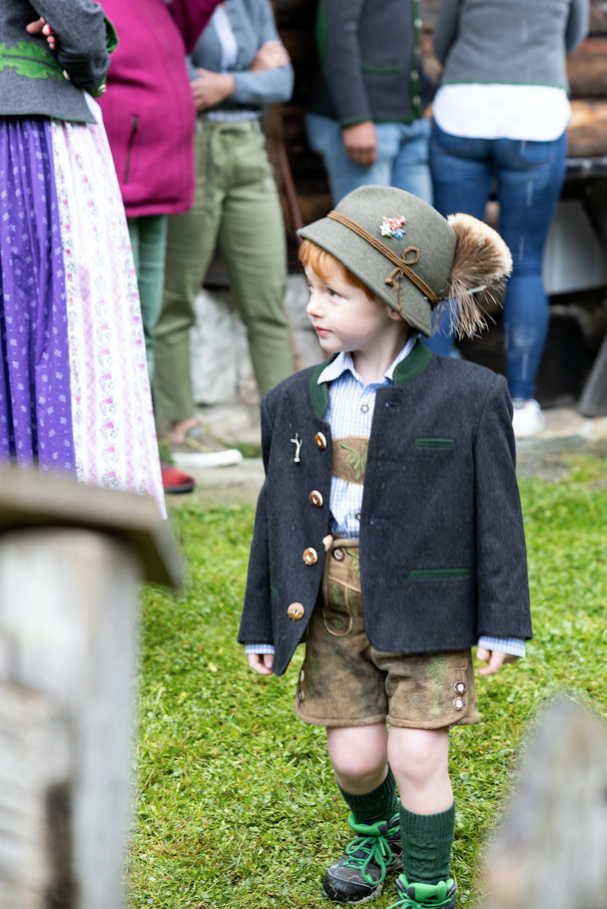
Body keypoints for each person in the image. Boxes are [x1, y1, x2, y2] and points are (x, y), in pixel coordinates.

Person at [239, 186, 532, 907]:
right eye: (311, 289)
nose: (313, 307)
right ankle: (375, 831)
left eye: (334, 294)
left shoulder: (471, 396)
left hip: (429, 612)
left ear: (393, 303)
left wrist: (502, 622)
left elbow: (499, 518)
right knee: (356, 757)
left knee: (416, 753)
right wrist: (261, 622)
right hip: (333, 610)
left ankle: (428, 886)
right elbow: (275, 517)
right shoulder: (289, 401)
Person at [0, 0, 165, 513]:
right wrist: (88, 51)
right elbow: (79, 27)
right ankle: (58, 515)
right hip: (24, 131)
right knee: (54, 324)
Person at [425, 0, 589, 438]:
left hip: (465, 107)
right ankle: (521, 403)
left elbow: (443, 40)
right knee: (526, 263)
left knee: (449, 257)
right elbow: (572, 36)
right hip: (535, 113)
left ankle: (430, 396)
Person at [153, 0, 294, 466]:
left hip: (248, 149)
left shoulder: (252, 3)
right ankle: (180, 427)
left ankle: (288, 430)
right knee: (175, 297)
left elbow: (283, 81)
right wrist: (252, 76)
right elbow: (185, 84)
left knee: (267, 300)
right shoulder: (175, 4)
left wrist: (229, 83)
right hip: (192, 145)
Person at [98, 0, 221, 494]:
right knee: (119, 329)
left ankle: (144, 452)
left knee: (143, 328)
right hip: (118, 185)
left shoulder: (160, 7)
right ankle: (124, 456)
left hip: (158, 185)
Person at [305, 0, 434, 205]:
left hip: (410, 124)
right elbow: (335, 28)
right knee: (367, 225)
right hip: (365, 124)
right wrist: (354, 117)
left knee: (419, 225)